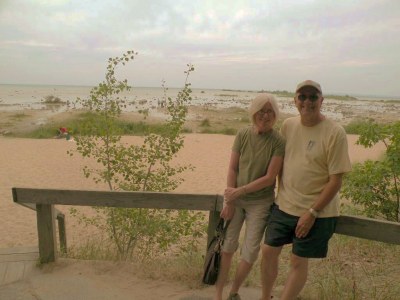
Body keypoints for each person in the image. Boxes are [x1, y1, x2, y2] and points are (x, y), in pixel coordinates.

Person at [260, 80, 352, 300]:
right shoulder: (288, 126)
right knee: (267, 252)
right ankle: (265, 297)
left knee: (298, 261)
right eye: (302, 97)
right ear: (295, 100)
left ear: (322, 100)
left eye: (313, 97)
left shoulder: (335, 132)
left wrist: (311, 213)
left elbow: (335, 181)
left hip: (317, 212)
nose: (307, 102)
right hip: (284, 206)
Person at [215, 93, 285, 300]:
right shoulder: (243, 134)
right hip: (236, 199)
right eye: (261, 111)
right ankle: (218, 292)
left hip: (260, 203)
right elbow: (232, 168)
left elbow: (270, 177)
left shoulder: (278, 141)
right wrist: (230, 200)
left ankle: (234, 291)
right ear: (254, 112)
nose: (265, 115)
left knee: (251, 251)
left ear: (275, 114)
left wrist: (240, 191)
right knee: (227, 246)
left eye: (270, 111)